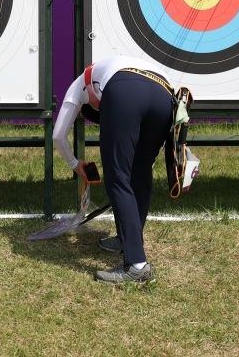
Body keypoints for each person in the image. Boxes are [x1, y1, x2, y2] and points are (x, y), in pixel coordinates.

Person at [52, 55, 183, 284]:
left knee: (117, 177)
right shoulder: (117, 66)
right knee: (140, 174)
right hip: (165, 94)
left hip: (126, 91)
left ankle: (137, 266)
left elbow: (58, 135)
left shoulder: (79, 84)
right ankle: (126, 240)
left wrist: (75, 165)